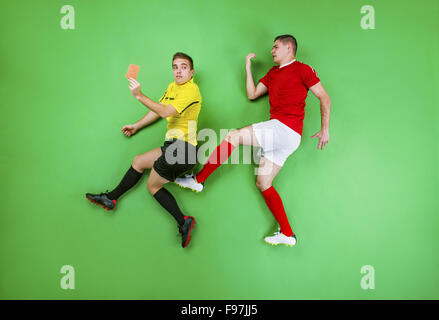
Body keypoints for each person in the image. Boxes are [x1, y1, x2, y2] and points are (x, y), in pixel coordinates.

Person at [175, 35, 331, 247]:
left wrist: (325, 129)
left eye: (276, 47)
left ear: (289, 48)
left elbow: (324, 97)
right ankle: (287, 234)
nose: (272, 51)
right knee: (263, 183)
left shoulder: (302, 69)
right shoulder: (273, 73)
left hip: (285, 129)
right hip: (285, 137)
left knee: (233, 136)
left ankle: (199, 180)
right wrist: (247, 67)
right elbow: (252, 94)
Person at [86, 52, 202, 248]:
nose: (179, 70)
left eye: (184, 67)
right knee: (139, 161)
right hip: (172, 147)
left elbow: (165, 112)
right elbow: (158, 109)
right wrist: (137, 126)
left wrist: (139, 95)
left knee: (153, 186)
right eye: (175, 67)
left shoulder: (191, 90)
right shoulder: (172, 87)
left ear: (191, 72)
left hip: (183, 151)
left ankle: (184, 222)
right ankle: (111, 198)